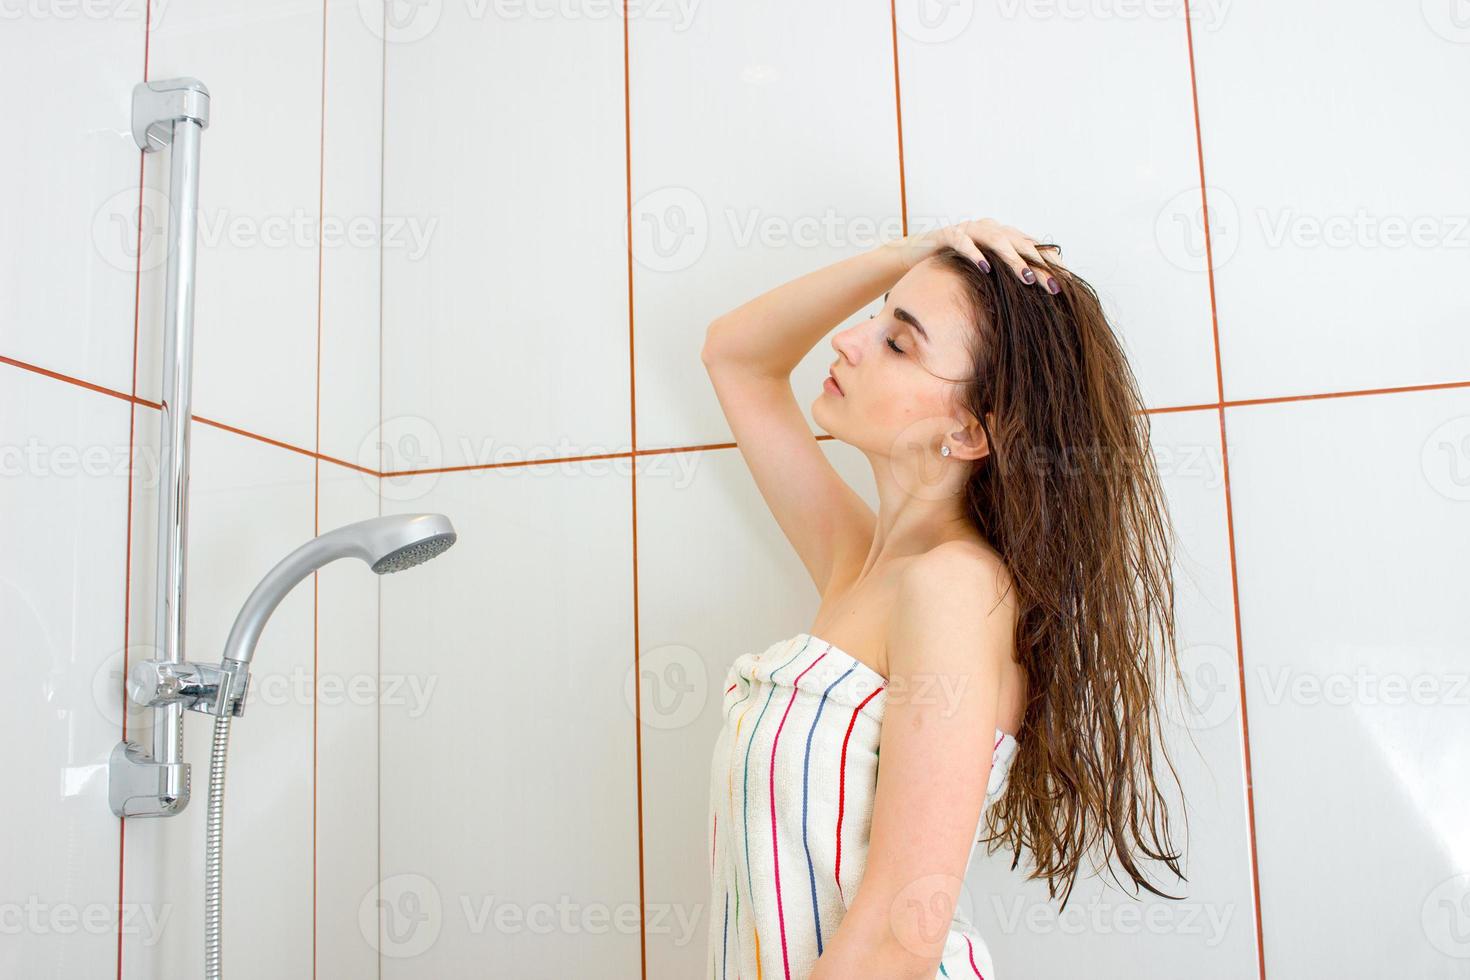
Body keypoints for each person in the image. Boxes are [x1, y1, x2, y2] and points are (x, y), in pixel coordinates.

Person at [700, 219, 1189, 979]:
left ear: (966, 432)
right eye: (880, 318)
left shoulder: (953, 589)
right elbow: (735, 358)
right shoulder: (857, 561)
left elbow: (904, 934)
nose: (850, 341)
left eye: (899, 342)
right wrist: (910, 253)